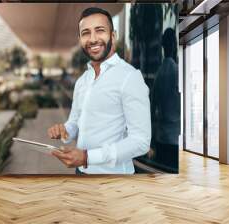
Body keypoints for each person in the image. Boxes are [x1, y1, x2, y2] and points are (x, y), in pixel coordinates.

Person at [47, 7, 151, 174]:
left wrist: (88, 157)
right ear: (80, 39)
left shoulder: (130, 77)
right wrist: (64, 131)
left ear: (113, 35)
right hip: (81, 172)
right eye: (86, 33)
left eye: (100, 30)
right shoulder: (82, 81)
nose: (93, 39)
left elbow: (141, 141)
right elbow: (74, 122)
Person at [150, 28, 180, 173]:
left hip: (161, 138)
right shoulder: (177, 72)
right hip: (174, 139)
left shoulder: (159, 74)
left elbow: (152, 108)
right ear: (174, 45)